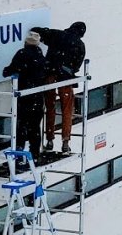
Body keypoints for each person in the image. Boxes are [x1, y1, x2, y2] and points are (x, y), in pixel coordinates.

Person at [31, 22, 87, 153]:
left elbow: (37, 30)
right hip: (65, 78)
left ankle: (49, 139)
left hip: (50, 75)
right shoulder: (80, 44)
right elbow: (77, 64)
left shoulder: (57, 34)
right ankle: (65, 142)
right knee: (67, 109)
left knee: (49, 106)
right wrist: (68, 68)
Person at [2, 31, 47, 160]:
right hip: (37, 96)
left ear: (26, 42)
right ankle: (35, 154)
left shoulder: (22, 54)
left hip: (23, 95)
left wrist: (6, 71)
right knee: (34, 127)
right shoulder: (40, 56)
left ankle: (19, 150)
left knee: (20, 124)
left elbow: (10, 70)